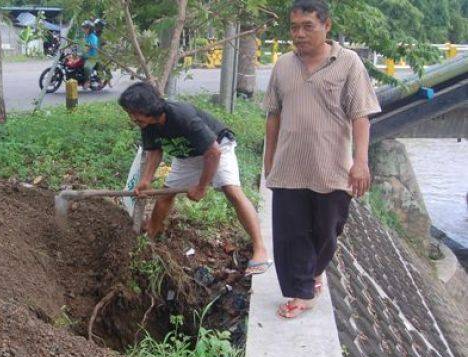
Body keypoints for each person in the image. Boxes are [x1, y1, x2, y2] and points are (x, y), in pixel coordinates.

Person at [263, 0, 380, 318]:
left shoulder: (348, 63)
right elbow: (273, 114)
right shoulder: (283, 65)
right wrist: (268, 158)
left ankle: (315, 271)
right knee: (291, 232)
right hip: (289, 166)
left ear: (326, 26)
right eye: (294, 27)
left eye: (307, 26)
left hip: (331, 167)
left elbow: (360, 115)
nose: (299, 34)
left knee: (329, 229)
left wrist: (361, 161)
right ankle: (302, 292)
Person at [119, 82, 271, 277]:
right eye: (129, 113)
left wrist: (201, 187)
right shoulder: (147, 124)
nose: (132, 118)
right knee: (165, 196)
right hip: (186, 155)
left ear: (148, 108)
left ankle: (260, 249)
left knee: (231, 191)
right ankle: (149, 240)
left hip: (216, 147)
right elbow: (155, 151)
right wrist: (146, 180)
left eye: (134, 113)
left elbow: (213, 152)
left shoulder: (181, 116)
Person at [79, 20, 99, 89]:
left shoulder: (93, 37)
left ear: (90, 29)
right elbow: (81, 44)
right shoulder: (85, 36)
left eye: (86, 28)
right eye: (84, 28)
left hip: (92, 57)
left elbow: (92, 45)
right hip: (84, 56)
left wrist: (88, 46)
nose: (84, 29)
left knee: (86, 67)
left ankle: (87, 81)